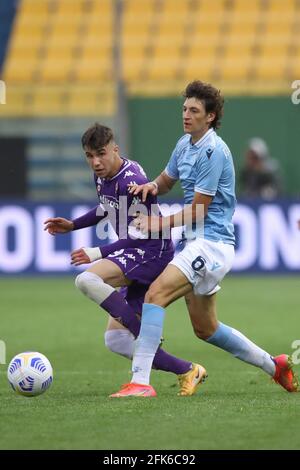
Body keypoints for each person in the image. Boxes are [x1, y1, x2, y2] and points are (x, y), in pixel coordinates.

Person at [110, 81, 299, 397]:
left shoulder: (214, 151)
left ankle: (140, 383)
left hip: (210, 244)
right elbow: (168, 180)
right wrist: (151, 187)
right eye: (184, 108)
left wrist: (159, 224)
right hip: (193, 244)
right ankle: (275, 365)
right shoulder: (185, 144)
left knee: (156, 294)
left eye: (194, 110)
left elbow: (198, 211)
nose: (186, 115)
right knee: (206, 328)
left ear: (210, 117)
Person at [44, 123, 207, 397]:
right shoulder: (103, 177)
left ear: (114, 149)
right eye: (89, 156)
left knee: (87, 279)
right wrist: (73, 225)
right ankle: (188, 370)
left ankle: (142, 332)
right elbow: (107, 207)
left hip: (151, 252)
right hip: (135, 252)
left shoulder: (130, 181)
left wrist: (99, 252)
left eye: (101, 154)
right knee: (116, 340)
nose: (95, 162)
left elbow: (142, 236)